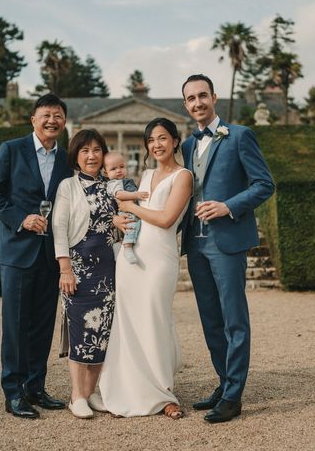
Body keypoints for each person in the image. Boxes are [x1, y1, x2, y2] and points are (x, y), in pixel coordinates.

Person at [180, 74, 275, 423]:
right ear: (186, 105)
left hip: (227, 241)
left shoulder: (239, 135)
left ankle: (234, 395)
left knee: (234, 319)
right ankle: (223, 383)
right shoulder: (187, 146)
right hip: (195, 242)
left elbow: (265, 184)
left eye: (202, 95)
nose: (198, 103)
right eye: (191, 99)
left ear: (214, 97)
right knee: (210, 320)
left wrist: (228, 206)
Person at [0, 94, 73, 419]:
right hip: (18, 253)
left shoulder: (65, 159)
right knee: (16, 326)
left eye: (58, 116)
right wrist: (21, 218)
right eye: (46, 115)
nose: (52, 121)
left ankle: (36, 388)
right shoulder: (11, 149)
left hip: (50, 255)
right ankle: (13, 393)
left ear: (64, 121)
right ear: (33, 119)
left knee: (43, 325)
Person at [99, 117, 193, 419]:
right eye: (152, 140)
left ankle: (164, 393)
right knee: (128, 323)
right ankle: (127, 388)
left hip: (161, 257)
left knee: (155, 318)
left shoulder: (183, 176)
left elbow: (166, 219)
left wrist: (131, 208)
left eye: (163, 138)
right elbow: (133, 215)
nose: (157, 144)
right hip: (132, 256)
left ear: (175, 141)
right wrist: (119, 219)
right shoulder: (146, 173)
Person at [52, 129, 118, 419]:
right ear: (76, 156)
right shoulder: (68, 186)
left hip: (108, 268)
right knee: (80, 332)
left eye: (96, 150)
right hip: (78, 269)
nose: (91, 156)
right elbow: (59, 227)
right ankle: (76, 395)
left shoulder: (112, 186)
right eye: (84, 151)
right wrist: (65, 268)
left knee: (102, 333)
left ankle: (92, 393)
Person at [103, 151, 149, 264]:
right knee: (131, 225)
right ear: (105, 172)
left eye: (121, 167)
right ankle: (127, 248)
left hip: (132, 209)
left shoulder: (125, 180)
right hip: (125, 212)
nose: (119, 170)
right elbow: (119, 194)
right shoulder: (113, 183)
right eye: (113, 169)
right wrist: (136, 195)